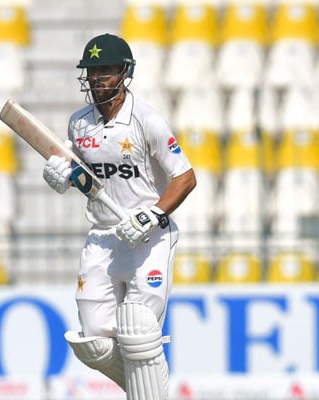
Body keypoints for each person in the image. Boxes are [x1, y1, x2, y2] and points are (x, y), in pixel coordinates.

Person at [42, 33, 196, 400]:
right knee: (93, 341)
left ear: (124, 72)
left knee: (138, 329)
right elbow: (83, 177)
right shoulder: (79, 124)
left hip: (147, 238)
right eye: (92, 72)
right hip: (102, 237)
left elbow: (186, 177)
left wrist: (152, 215)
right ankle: (150, 391)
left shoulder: (147, 121)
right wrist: (62, 177)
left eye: (106, 71)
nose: (98, 79)